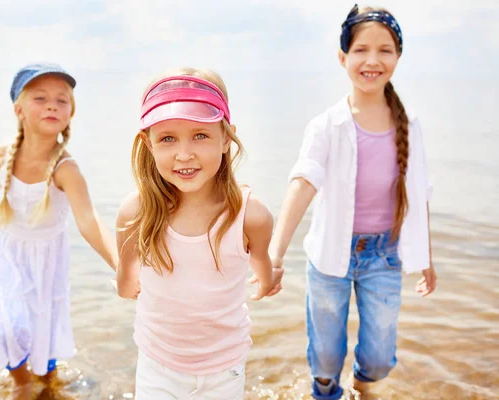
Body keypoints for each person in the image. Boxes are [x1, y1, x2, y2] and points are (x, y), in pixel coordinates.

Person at [269, 6, 437, 399]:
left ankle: (362, 388)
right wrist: (275, 254)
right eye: (361, 50)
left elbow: (419, 194)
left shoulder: (409, 124)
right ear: (342, 57)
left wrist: (426, 257)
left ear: (398, 56)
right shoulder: (326, 125)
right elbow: (303, 183)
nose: (373, 60)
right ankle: (326, 392)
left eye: (385, 50)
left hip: (384, 256)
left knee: (379, 357)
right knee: (326, 356)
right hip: (330, 256)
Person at [116, 68, 284, 399]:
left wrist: (268, 279)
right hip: (157, 367)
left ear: (226, 138)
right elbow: (265, 277)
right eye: (167, 138)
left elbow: (125, 285)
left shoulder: (251, 216)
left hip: (225, 368)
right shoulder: (136, 213)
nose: (184, 153)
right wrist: (268, 281)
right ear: (147, 143)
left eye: (200, 135)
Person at [0, 63, 118, 399]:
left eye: (62, 100)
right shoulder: (4, 154)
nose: (52, 105)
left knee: (42, 319)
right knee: (6, 322)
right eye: (41, 98)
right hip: (6, 248)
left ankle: (47, 383)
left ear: (70, 113)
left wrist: (122, 266)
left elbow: (89, 219)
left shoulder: (66, 169)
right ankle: (20, 383)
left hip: (47, 256)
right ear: (18, 110)